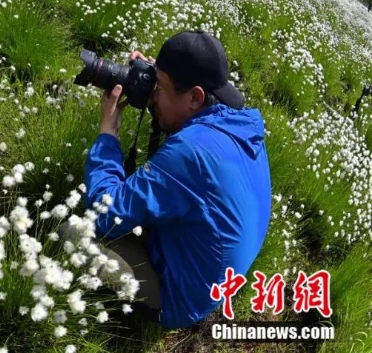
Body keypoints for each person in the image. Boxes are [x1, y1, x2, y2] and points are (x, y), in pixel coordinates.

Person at [75, 29, 272, 329]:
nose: (152, 93)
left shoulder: (191, 153)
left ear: (195, 96)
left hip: (178, 300)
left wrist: (108, 134)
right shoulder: (239, 124)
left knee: (71, 233)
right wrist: (165, 80)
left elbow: (104, 213)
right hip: (214, 280)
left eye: (160, 87)